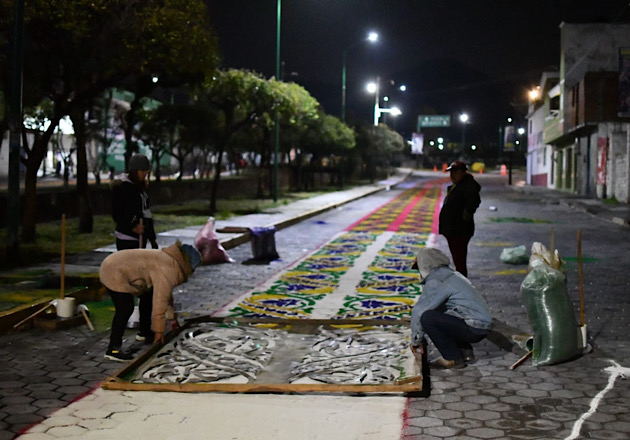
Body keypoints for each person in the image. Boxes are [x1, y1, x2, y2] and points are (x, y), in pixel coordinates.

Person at [100, 241, 202, 361]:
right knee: (125, 308)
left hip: (117, 265)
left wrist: (172, 317)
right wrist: (159, 331)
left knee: (148, 295)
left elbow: (166, 294)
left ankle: (144, 332)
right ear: (188, 264)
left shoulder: (170, 261)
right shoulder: (169, 267)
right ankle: (113, 349)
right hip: (114, 270)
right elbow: (160, 300)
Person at [409, 247, 492, 369]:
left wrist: (416, 341)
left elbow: (420, 311)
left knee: (428, 317)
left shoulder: (437, 280)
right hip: (482, 326)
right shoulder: (451, 274)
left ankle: (452, 358)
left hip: (474, 328)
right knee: (442, 312)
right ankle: (466, 353)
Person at [111, 154, 158, 344]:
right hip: (127, 242)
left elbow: (147, 215)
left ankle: (144, 329)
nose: (145, 175)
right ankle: (117, 340)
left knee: (148, 286)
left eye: (147, 172)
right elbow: (118, 213)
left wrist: (152, 238)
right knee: (136, 284)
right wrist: (132, 227)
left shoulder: (142, 190)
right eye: (143, 171)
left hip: (141, 242)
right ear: (134, 170)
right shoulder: (122, 189)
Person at [438, 160, 481, 277]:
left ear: (462, 173)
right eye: (451, 172)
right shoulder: (458, 185)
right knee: (458, 259)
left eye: (455, 172)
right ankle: (461, 282)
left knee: (460, 260)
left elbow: (474, 200)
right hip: (453, 230)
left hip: (459, 230)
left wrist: (467, 213)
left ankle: (462, 285)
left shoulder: (468, 186)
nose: (452, 175)